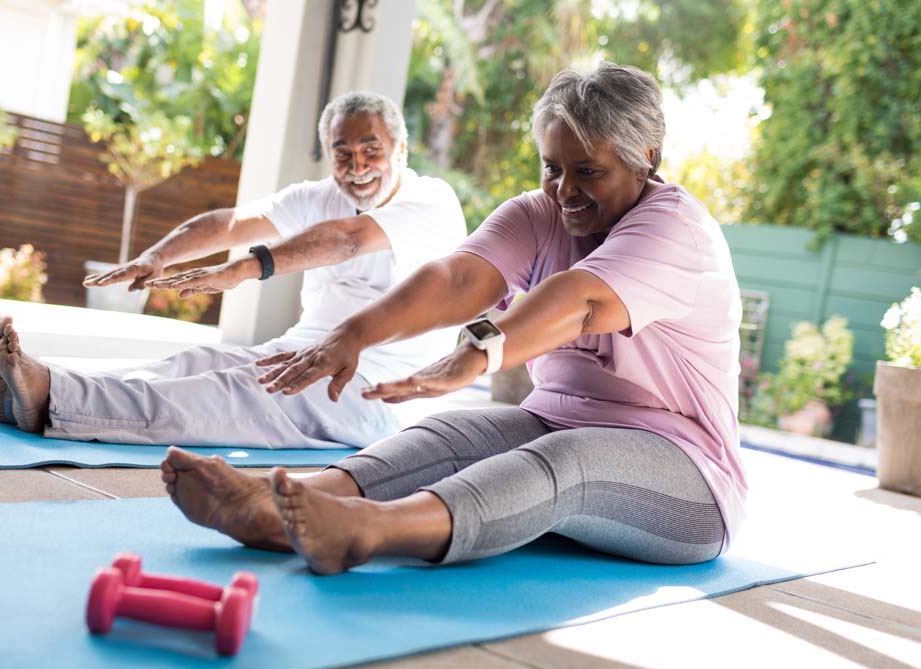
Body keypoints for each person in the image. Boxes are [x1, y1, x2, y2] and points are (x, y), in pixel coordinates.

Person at [161, 63, 747, 574]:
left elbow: (581, 300)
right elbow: (459, 279)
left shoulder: (675, 229)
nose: (564, 189)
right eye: (552, 168)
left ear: (646, 158)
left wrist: (475, 353)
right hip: (559, 421)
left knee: (564, 462)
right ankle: (276, 506)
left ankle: (365, 532)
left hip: (687, 479)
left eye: (587, 172)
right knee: (451, 432)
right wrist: (351, 337)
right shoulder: (541, 213)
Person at [0, 91, 466, 449]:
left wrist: (250, 268)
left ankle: (52, 397)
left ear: (400, 149)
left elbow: (349, 240)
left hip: (378, 391)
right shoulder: (320, 196)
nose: (358, 166)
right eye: (344, 153)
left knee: (227, 394)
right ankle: (29, 395)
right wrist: (158, 256)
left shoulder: (432, 201)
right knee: (194, 364)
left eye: (372, 150)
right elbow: (231, 223)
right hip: (301, 352)